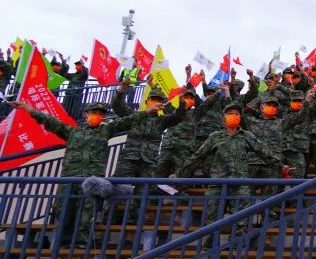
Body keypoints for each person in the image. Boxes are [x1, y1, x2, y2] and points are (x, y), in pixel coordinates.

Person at [14, 100, 147, 250]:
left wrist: (148, 111)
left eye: (100, 114)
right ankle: (62, 249)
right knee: (64, 213)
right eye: (93, 112)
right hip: (69, 180)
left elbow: (128, 121)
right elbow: (48, 120)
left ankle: (79, 250)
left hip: (91, 182)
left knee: (86, 216)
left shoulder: (106, 131)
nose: (96, 115)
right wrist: (26, 107)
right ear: (86, 114)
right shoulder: (72, 131)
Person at [172, 103, 283, 247]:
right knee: (212, 218)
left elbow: (264, 153)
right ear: (223, 117)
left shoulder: (246, 136)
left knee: (241, 219)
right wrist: (179, 173)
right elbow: (197, 156)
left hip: (239, 183)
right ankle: (211, 248)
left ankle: (235, 248)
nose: (234, 116)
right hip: (218, 183)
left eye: (237, 114)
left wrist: (282, 167)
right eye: (230, 113)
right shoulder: (215, 137)